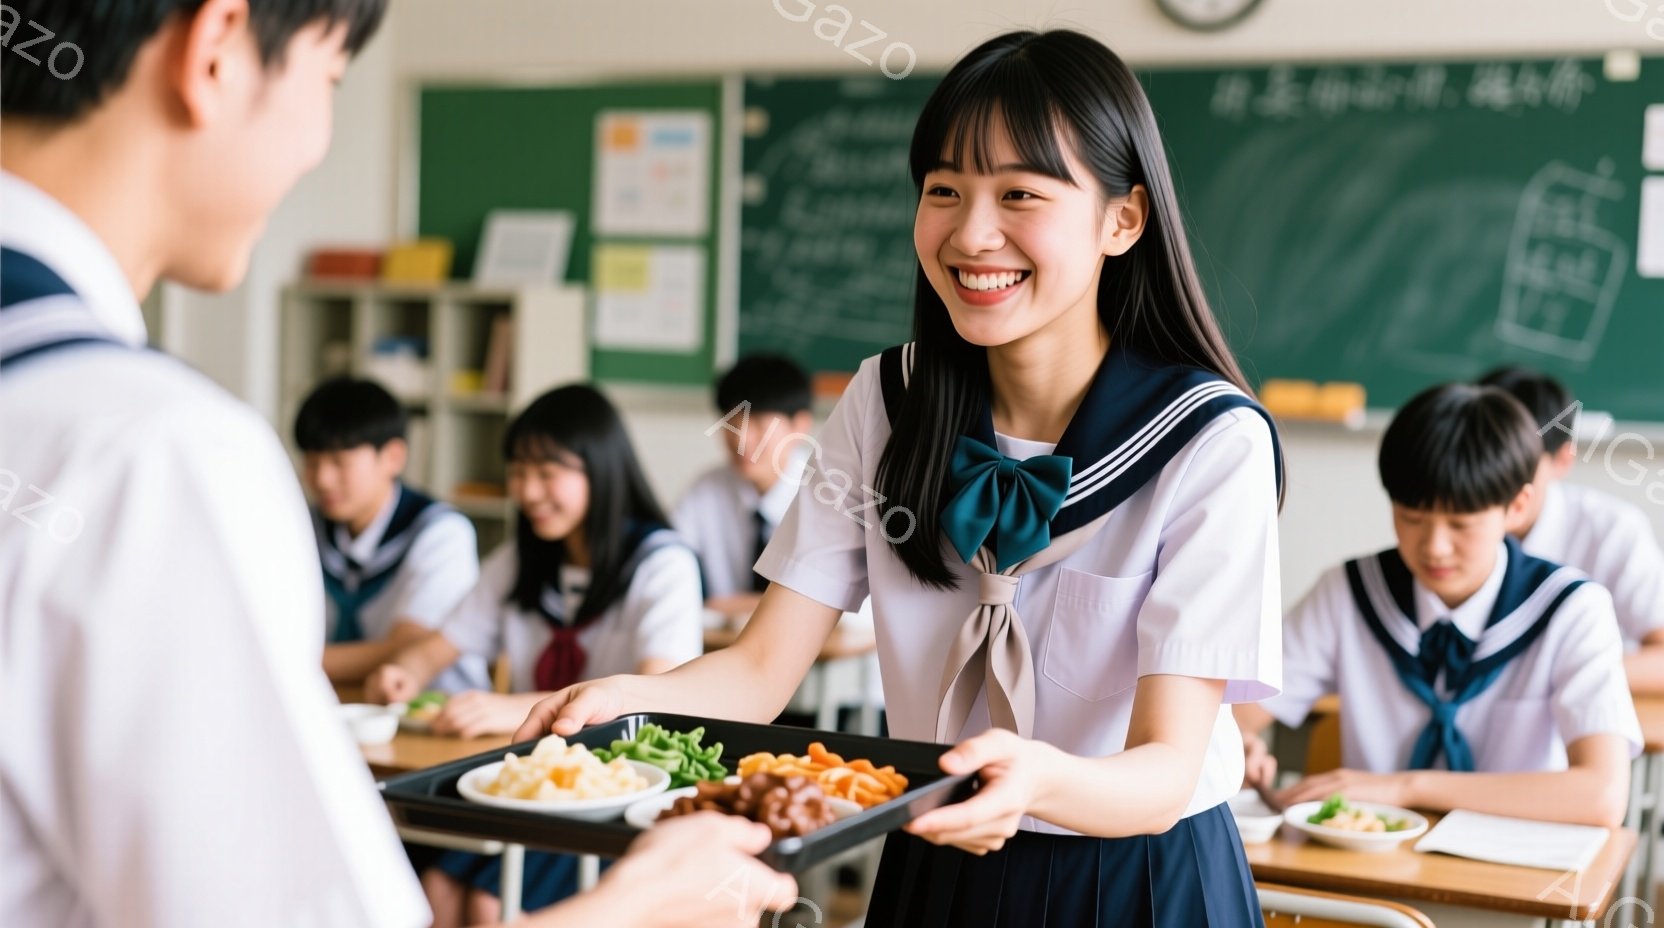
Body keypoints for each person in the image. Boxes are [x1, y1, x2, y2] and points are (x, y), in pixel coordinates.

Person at [0, 2, 792, 925]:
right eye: (329, 76)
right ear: (216, 49)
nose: (317, 141)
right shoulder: (152, 450)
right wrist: (640, 906)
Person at [516, 29, 1284, 927]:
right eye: (944, 190)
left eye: (1021, 194)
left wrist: (1039, 775)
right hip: (936, 857)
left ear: (1124, 219)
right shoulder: (886, 401)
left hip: (1137, 879)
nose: (971, 233)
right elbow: (760, 671)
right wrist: (628, 700)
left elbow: (1163, 770)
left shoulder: (1210, 441)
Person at [366, 384, 705, 926]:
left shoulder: (662, 564)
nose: (528, 491)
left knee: (488, 903)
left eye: (548, 474)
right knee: (435, 890)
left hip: (612, 786)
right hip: (529, 780)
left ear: (601, 471)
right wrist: (400, 673)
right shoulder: (521, 559)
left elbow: (658, 697)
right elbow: (436, 648)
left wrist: (516, 707)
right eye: (519, 472)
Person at [1237, 384, 1637, 828]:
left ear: (1517, 506)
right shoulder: (1350, 590)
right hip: (1369, 865)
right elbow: (1236, 717)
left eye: (1461, 524)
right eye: (1411, 518)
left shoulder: (1572, 609)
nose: (1435, 548)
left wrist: (1408, 786)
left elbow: (1601, 795)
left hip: (1517, 875)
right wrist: (1237, 742)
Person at [1479, 365, 1664, 693]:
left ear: (1562, 460)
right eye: (1482, 461)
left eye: (1516, 466)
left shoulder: (1613, 530)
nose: (1496, 483)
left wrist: (1552, 674)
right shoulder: (1452, 529)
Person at [293, 376, 485, 690]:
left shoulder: (441, 533)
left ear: (393, 457)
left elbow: (407, 646)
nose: (323, 479)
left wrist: (293, 662)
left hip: (437, 714)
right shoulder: (306, 526)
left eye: (339, 462)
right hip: (343, 705)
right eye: (312, 462)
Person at [675, 353, 815, 614]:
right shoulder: (704, 492)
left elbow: (850, 609)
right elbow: (668, 565)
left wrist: (742, 605)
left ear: (800, 425)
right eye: (732, 425)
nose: (743, 441)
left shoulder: (831, 494)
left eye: (760, 426)